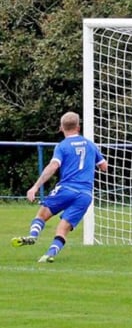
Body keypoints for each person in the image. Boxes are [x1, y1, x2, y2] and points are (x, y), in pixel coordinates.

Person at [11, 112, 108, 263]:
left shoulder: (62, 146)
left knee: (41, 215)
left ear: (61, 128)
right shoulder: (90, 144)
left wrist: (35, 187)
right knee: (63, 229)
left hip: (66, 189)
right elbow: (104, 167)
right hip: (85, 195)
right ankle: (49, 254)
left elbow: (54, 166)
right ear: (78, 127)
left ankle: (33, 236)